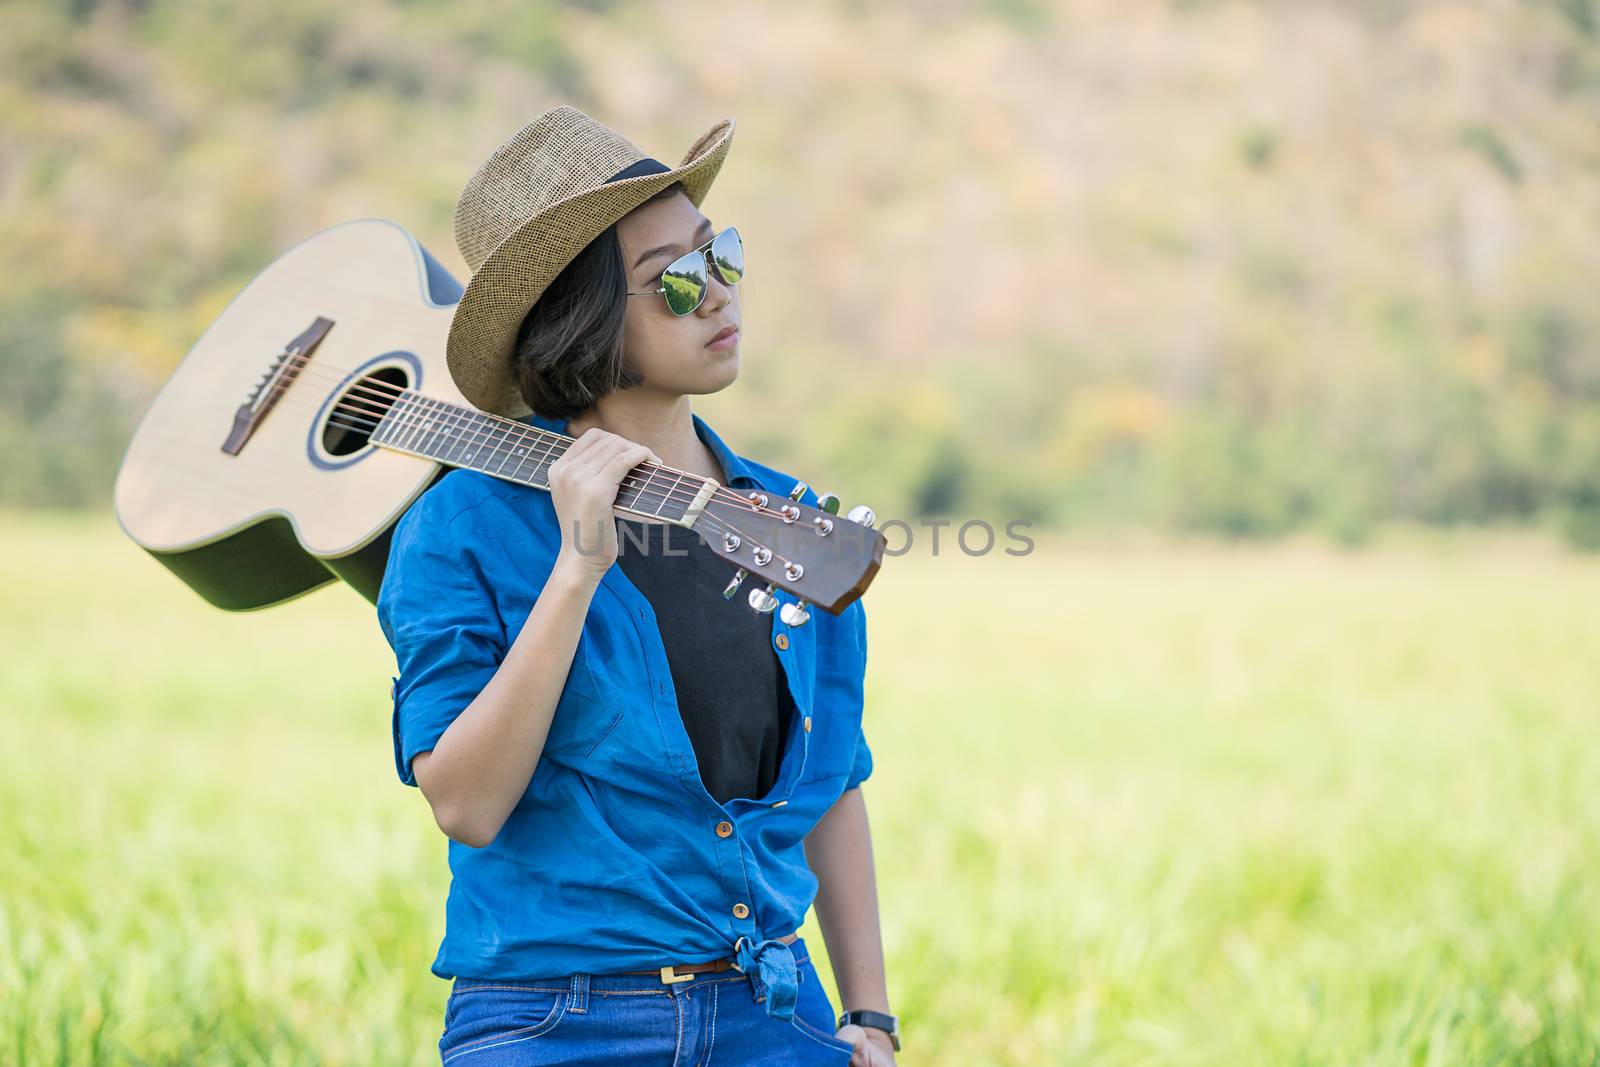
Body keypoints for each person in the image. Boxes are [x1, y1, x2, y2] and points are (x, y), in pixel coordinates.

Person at [377, 105, 901, 1065]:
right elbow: (467, 804)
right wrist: (577, 567)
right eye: (676, 282)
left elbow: (831, 782)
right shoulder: (462, 525)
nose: (719, 297)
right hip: (549, 1022)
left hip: (772, 1010)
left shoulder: (791, 525)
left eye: (723, 255)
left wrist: (868, 1016)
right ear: (578, 325)